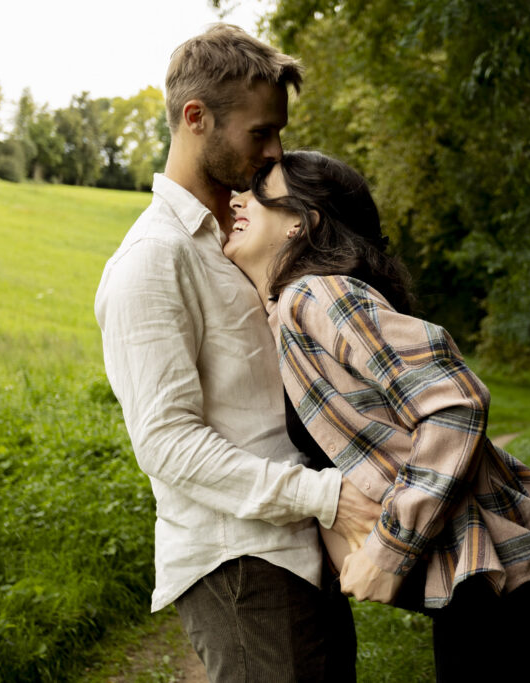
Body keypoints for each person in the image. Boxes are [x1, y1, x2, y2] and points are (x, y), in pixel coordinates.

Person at [224, 150, 530, 682]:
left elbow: (455, 403)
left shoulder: (318, 294)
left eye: (258, 191)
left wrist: (390, 549)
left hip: (510, 589)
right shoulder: (286, 313)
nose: (236, 198)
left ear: (302, 221)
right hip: (484, 592)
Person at [94, 27, 377, 683]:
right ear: (196, 119)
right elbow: (166, 441)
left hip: (297, 544)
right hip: (242, 561)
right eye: (261, 133)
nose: (276, 150)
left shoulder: (251, 235)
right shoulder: (151, 261)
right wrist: (325, 494)